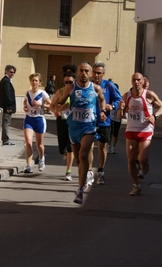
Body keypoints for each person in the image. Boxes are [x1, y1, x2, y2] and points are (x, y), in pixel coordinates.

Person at [55, 62, 106, 204]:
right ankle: (83, 179)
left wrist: (102, 111)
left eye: (86, 71)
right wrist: (61, 106)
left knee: (84, 155)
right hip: (74, 127)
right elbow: (59, 103)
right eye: (81, 71)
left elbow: (102, 100)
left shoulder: (95, 88)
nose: (84, 73)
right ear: (77, 72)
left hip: (89, 126)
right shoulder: (71, 87)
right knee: (78, 159)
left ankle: (80, 189)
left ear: (90, 74)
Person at [118, 72, 162, 196]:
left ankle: (145, 165)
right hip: (131, 130)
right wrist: (121, 108)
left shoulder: (149, 94)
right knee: (130, 160)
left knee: (141, 158)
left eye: (139, 80)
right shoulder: (126, 96)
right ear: (131, 81)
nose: (136, 82)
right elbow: (120, 117)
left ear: (143, 81)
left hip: (146, 130)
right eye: (134, 80)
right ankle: (136, 185)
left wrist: (155, 116)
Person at [85, 62, 122, 189]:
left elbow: (118, 99)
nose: (96, 75)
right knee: (89, 147)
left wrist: (112, 106)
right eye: (94, 72)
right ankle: (89, 173)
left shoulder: (109, 85)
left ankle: (100, 171)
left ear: (103, 74)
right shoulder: (87, 85)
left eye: (99, 73)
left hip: (104, 121)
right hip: (89, 121)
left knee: (102, 147)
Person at [22, 73, 52, 173]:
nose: (34, 82)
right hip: (29, 119)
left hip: (39, 119)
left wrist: (41, 104)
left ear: (39, 83)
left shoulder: (43, 93)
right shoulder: (27, 93)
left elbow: (50, 105)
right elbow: (25, 102)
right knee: (28, 143)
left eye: (36, 80)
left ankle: (41, 158)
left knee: (39, 144)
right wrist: (25, 107)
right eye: (32, 80)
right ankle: (29, 165)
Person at [50, 71, 76, 181]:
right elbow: (52, 106)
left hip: (74, 121)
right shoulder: (60, 92)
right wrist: (55, 111)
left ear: (74, 81)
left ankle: (68, 172)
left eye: (70, 82)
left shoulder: (77, 92)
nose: (68, 84)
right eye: (66, 82)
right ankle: (64, 153)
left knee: (71, 147)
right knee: (62, 147)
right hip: (62, 120)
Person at [0, 65, 17, 146]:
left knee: (6, 123)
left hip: (6, 107)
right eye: (11, 72)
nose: (12, 74)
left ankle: (5, 139)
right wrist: (9, 107)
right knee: (6, 123)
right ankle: (5, 140)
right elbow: (7, 95)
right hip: (6, 107)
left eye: (13, 72)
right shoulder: (6, 81)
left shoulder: (7, 81)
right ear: (6, 71)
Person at [108, 83, 121, 154]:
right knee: (110, 132)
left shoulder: (119, 98)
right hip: (111, 117)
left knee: (115, 134)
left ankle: (113, 146)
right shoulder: (109, 97)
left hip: (117, 118)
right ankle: (109, 146)